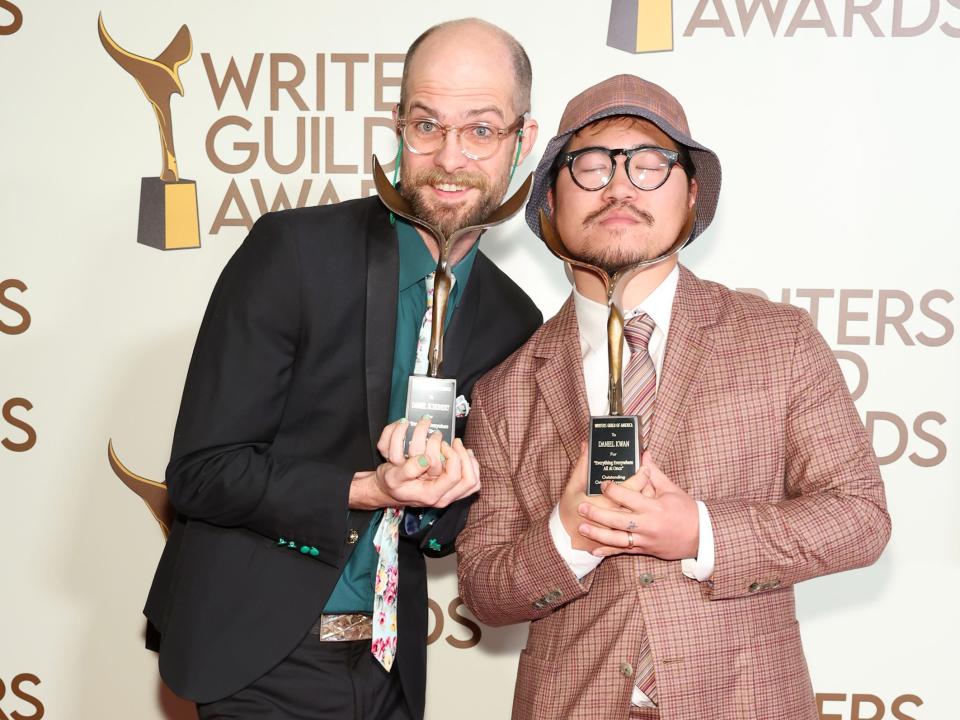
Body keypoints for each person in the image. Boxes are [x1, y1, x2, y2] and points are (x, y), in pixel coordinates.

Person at [456, 74, 891, 720]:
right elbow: (484, 589)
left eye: (651, 163)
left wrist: (701, 532)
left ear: (691, 196)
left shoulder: (779, 341)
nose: (621, 186)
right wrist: (564, 536)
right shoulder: (505, 391)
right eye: (592, 165)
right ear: (549, 200)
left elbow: (861, 519)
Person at [143, 18, 541, 720]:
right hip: (260, 656)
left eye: (481, 130)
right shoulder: (294, 252)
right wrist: (365, 487)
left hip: (389, 668)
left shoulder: (514, 320)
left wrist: (447, 495)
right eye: (428, 125)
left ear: (521, 142)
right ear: (398, 126)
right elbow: (201, 473)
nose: (450, 157)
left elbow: (442, 535)